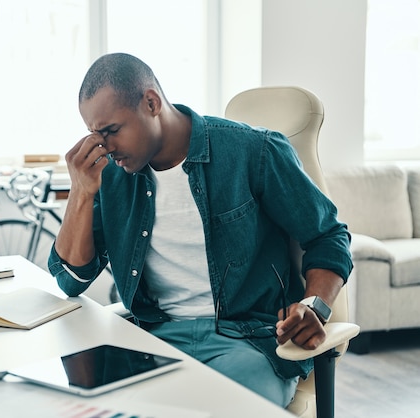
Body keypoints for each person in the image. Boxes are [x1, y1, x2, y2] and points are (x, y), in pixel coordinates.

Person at [48, 52, 353, 407]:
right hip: (153, 344)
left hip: (247, 343)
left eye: (112, 130)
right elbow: (71, 280)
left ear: (151, 103)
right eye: (94, 134)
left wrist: (314, 306)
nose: (105, 146)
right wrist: (81, 192)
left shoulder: (253, 151)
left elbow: (328, 236)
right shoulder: (112, 176)